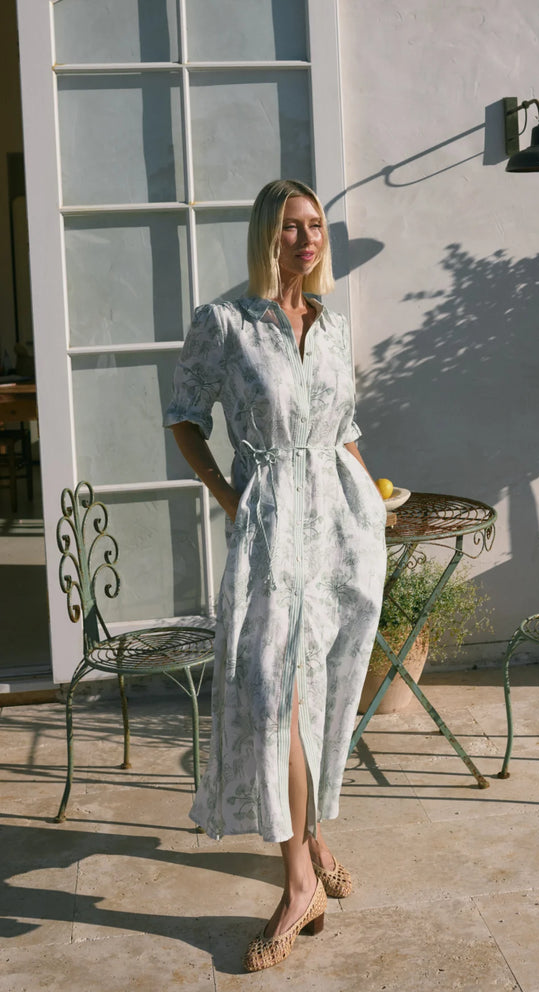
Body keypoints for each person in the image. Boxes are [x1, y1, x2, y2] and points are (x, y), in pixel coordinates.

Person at [164, 179, 387, 971]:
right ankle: (298, 883)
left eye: (316, 226)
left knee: (325, 682)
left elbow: (345, 428)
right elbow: (184, 418)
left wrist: (378, 506)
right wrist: (229, 497)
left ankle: (314, 834)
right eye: (293, 227)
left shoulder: (330, 324)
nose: (307, 239)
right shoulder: (223, 322)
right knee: (271, 689)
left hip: (340, 522)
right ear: (267, 234)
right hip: (268, 526)